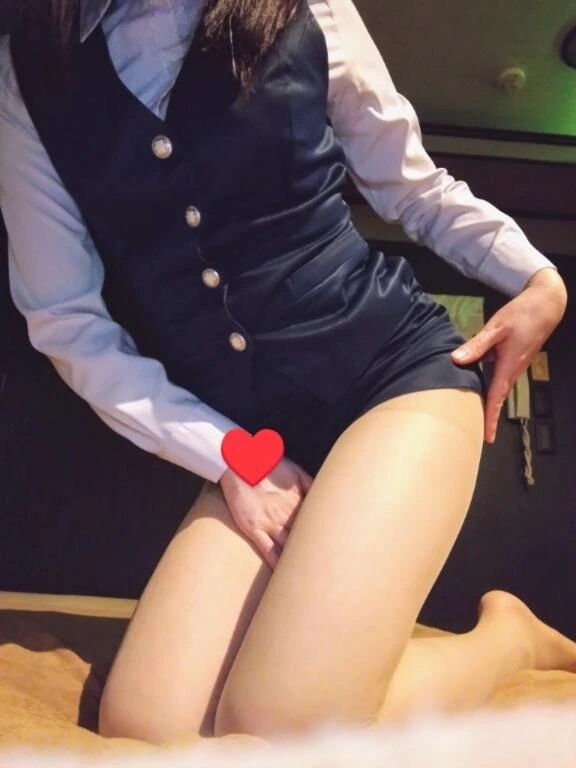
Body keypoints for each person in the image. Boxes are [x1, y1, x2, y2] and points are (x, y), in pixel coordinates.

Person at [0, 0, 571, 746]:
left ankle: (506, 641)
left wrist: (537, 277)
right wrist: (229, 455)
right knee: (146, 724)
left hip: (392, 378)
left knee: (281, 723)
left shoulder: (307, 7)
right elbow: (66, 320)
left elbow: (411, 186)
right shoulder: (29, 71)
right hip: (253, 432)